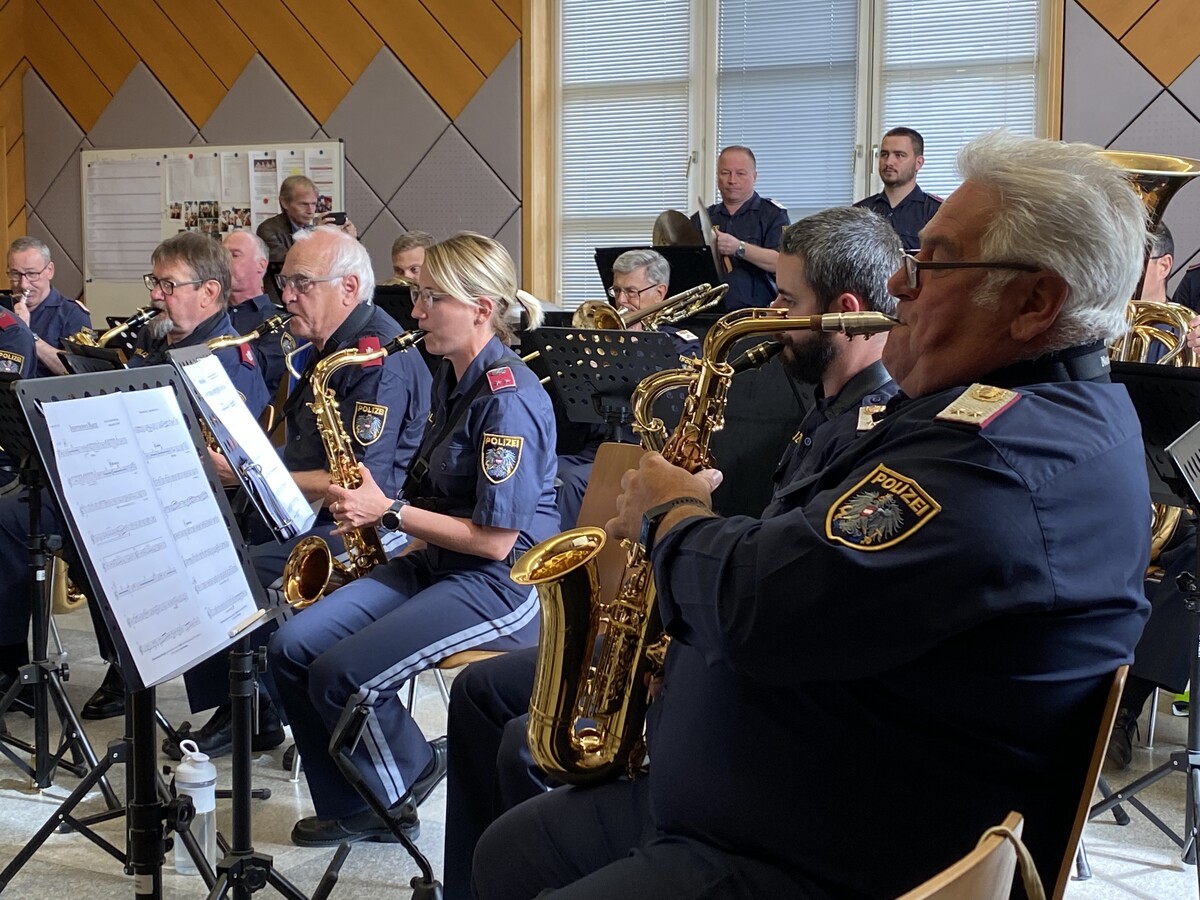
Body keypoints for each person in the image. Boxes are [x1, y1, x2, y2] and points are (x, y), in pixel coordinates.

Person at [471, 132, 1153, 900]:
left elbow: (754, 602)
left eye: (930, 264)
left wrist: (674, 512)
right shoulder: (1025, 415)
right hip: (786, 797)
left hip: (822, 852)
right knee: (510, 854)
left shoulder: (997, 459)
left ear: (1035, 302)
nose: (900, 282)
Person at [444, 205, 903, 900]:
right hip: (720, 655)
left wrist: (680, 527)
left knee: (519, 769)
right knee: (486, 698)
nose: (767, 313)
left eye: (784, 300)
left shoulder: (874, 429)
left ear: (844, 313)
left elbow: (789, 596)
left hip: (760, 745)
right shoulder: (824, 406)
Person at [267, 232, 559, 848]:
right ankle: (360, 800)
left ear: (481, 308)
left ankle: (405, 778)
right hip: (436, 561)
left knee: (343, 674)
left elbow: (496, 542)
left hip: (498, 585)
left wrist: (389, 512)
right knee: (291, 647)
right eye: (417, 297)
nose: (417, 312)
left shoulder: (509, 402)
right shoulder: (451, 378)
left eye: (431, 299)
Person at [159, 225, 433, 758]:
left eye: (302, 283)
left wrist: (248, 472)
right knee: (204, 551)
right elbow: (307, 452)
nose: (285, 297)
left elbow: (353, 482)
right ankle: (249, 705)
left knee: (233, 574)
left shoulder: (373, 360)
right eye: (285, 282)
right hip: (310, 509)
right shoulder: (329, 346)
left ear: (349, 288)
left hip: (367, 528)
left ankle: (254, 709)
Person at [4, 232, 272, 719]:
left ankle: (130, 664)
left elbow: (230, 464)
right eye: (155, 282)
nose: (154, 294)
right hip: (126, 486)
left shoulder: (229, 359)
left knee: (82, 532)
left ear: (208, 292)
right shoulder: (163, 342)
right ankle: (14, 668)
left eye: (166, 284)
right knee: (12, 515)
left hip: (185, 508)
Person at [554, 249, 700, 530]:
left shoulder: (680, 344)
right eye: (617, 291)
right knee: (541, 469)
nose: (621, 301)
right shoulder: (601, 338)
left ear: (659, 293)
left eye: (632, 292)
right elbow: (575, 410)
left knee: (573, 481)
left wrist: (628, 350)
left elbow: (673, 408)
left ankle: (567, 568)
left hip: (644, 452)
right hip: (598, 447)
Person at [691, 146, 789, 311]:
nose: (732, 180)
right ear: (717, 177)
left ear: (754, 177)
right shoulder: (701, 219)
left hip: (756, 313)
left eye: (740, 173)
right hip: (708, 312)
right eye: (725, 173)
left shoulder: (773, 214)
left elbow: (783, 263)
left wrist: (739, 248)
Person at [6, 236, 91, 376]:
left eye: (32, 274)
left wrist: (26, 333)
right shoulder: (4, 310)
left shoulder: (73, 313)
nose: (23, 284)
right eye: (15, 274)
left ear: (49, 270)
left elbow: (78, 371)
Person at [223, 229, 291, 395]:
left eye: (234, 255)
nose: (223, 262)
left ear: (261, 265)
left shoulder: (280, 319)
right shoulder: (208, 313)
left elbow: (260, 372)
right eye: (221, 255)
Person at [855, 126, 942, 251]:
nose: (889, 162)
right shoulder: (860, 212)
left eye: (899, 155)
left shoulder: (937, 213)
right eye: (884, 154)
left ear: (919, 163)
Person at [256, 175, 356, 265]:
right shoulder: (267, 229)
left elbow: (337, 264)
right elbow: (292, 262)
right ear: (284, 203)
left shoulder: (311, 228)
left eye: (313, 204)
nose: (310, 211)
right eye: (303, 204)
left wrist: (348, 240)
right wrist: (316, 236)